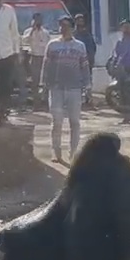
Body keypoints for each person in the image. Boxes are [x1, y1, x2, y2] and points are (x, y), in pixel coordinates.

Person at [41, 15, 89, 163]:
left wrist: (87, 86)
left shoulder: (80, 46)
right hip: (56, 88)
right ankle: (56, 152)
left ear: (72, 28)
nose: (63, 28)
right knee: (57, 122)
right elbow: (46, 66)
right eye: (61, 25)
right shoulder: (52, 45)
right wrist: (43, 85)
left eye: (67, 26)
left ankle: (73, 154)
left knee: (74, 122)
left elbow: (84, 67)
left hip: (74, 88)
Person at [109, 19, 130, 123]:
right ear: (121, 29)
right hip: (120, 70)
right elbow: (116, 55)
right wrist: (114, 66)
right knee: (122, 93)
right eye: (124, 27)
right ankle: (126, 117)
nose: (126, 29)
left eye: (128, 27)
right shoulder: (120, 42)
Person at [22, 12, 51, 110]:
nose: (38, 21)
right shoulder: (28, 31)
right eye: (36, 19)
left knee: (45, 81)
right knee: (35, 82)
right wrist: (32, 30)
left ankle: (45, 102)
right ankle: (36, 103)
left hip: (44, 58)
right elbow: (24, 41)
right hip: (34, 57)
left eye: (40, 19)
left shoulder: (45, 32)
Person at [73, 13, 96, 102]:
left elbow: (93, 47)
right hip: (76, 61)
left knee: (88, 80)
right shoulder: (73, 35)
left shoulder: (87, 34)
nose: (80, 22)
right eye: (78, 20)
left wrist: (91, 58)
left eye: (82, 20)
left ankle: (88, 99)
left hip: (88, 60)